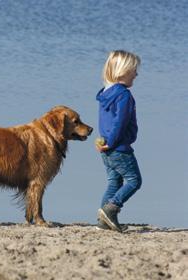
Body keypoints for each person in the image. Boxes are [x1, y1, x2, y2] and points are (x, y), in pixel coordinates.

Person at [95, 50, 142, 232]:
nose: (136, 74)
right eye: (134, 71)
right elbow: (119, 121)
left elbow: (106, 120)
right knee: (134, 180)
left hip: (106, 146)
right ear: (122, 72)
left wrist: (105, 142)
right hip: (118, 147)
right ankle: (111, 208)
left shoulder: (106, 93)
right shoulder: (123, 95)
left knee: (114, 182)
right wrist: (113, 142)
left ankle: (103, 222)